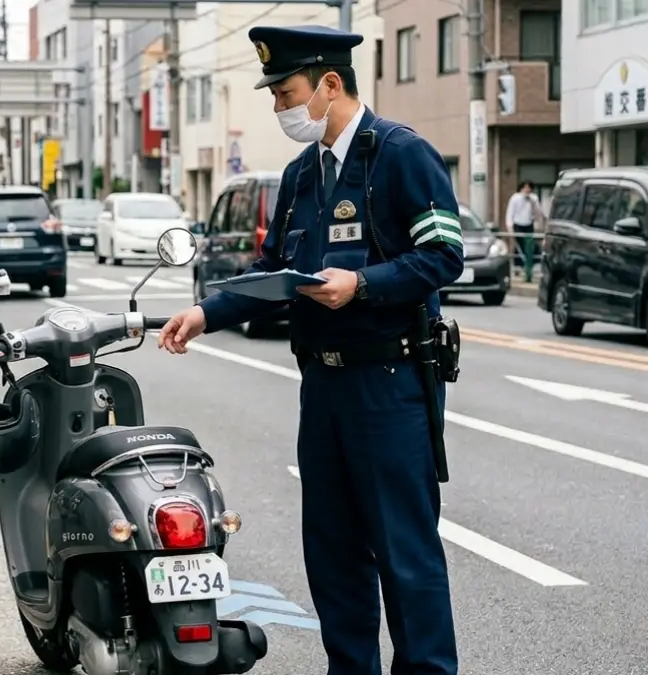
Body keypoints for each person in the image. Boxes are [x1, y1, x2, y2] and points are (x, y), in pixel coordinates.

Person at [158, 26, 462, 675]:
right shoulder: (301, 176)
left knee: (405, 557)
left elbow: (443, 255)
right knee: (332, 554)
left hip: (389, 382)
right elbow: (274, 273)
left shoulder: (400, 156)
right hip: (321, 391)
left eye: (287, 93)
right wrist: (207, 311)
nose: (280, 108)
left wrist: (365, 283)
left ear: (330, 83)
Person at [504, 180, 544, 282]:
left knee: (530, 246)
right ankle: (519, 266)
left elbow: (538, 213)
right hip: (518, 224)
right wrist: (510, 226)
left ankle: (528, 267)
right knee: (520, 245)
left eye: (529, 188)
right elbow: (510, 212)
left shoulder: (533, 198)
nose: (527, 190)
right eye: (525, 188)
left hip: (528, 224)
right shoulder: (515, 198)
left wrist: (533, 202)